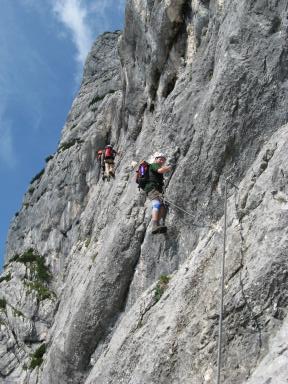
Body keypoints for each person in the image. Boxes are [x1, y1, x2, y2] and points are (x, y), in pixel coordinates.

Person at [143, 152, 172, 234]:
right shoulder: (154, 165)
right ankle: (154, 225)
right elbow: (160, 170)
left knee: (162, 205)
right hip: (152, 188)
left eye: (164, 160)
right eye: (160, 159)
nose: (162, 161)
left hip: (157, 189)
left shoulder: (156, 165)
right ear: (156, 159)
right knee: (156, 204)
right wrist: (169, 168)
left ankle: (159, 224)